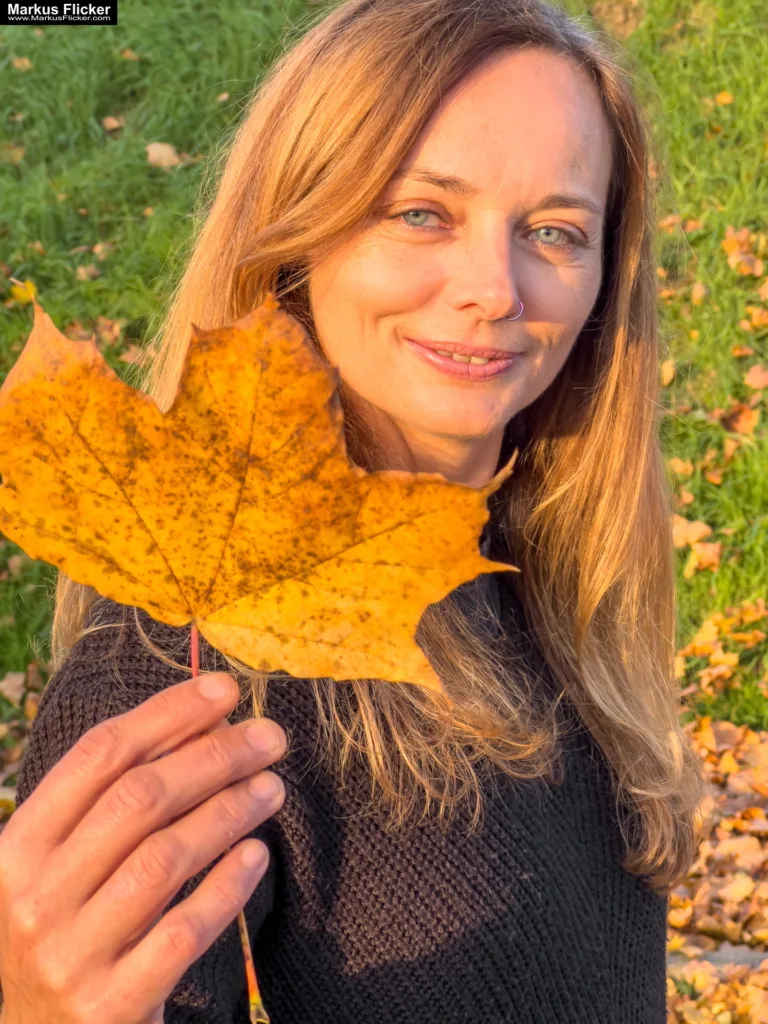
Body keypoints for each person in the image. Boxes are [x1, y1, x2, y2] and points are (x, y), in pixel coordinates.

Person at [0, 0, 708, 1021]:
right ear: (300, 234)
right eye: (421, 213)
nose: (493, 289)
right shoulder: (179, 665)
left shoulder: (541, 579)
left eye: (554, 231)